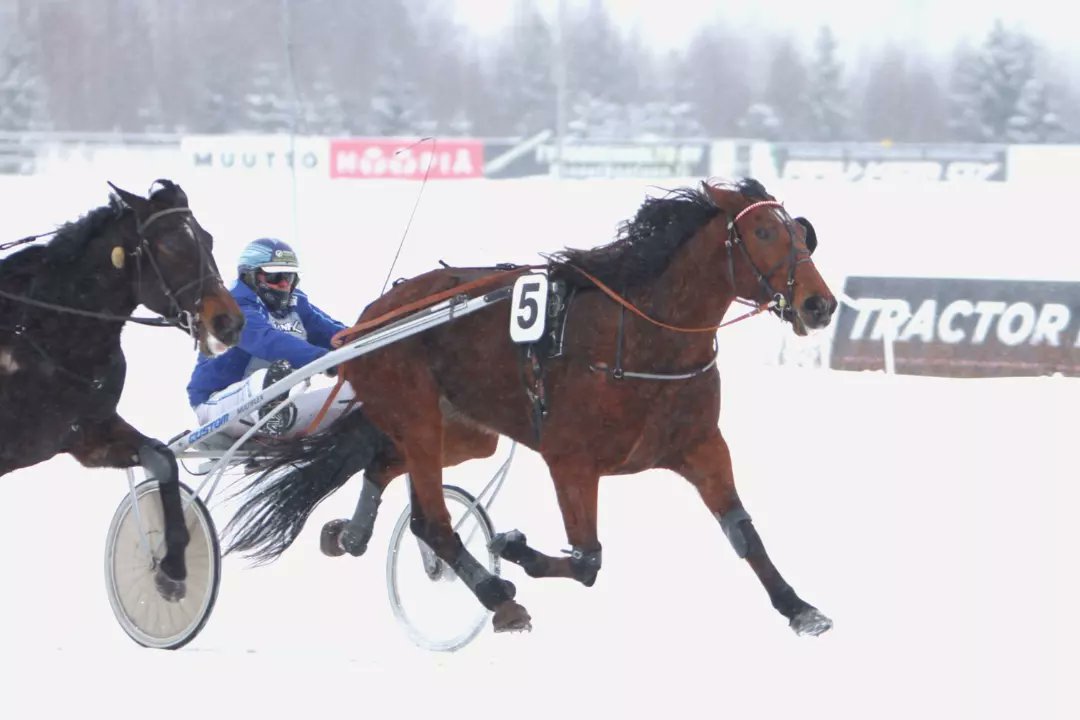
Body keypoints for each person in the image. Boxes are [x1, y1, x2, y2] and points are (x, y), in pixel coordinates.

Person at [186, 237, 357, 440]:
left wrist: (366, 344)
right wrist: (324, 359)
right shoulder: (234, 309)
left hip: (278, 404)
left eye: (289, 277)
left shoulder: (296, 304)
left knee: (358, 393)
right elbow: (266, 341)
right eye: (274, 277)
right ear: (250, 277)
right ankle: (272, 418)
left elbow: (335, 333)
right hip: (219, 405)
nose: (284, 284)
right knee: (265, 378)